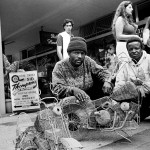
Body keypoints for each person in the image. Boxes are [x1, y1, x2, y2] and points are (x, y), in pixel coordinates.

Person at [52, 37, 112, 126]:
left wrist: (107, 81)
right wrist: (72, 90)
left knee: (104, 83)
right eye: (76, 53)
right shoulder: (60, 66)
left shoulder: (87, 61)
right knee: (75, 123)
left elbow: (103, 72)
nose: (80, 56)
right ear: (69, 53)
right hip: (70, 99)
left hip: (89, 94)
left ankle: (102, 116)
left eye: (82, 53)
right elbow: (56, 89)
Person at [114, 37, 150, 121]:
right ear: (127, 50)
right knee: (133, 117)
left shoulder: (149, 59)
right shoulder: (124, 64)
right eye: (131, 49)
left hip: (147, 94)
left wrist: (143, 85)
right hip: (133, 96)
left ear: (141, 49)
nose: (134, 51)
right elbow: (119, 82)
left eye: (136, 48)